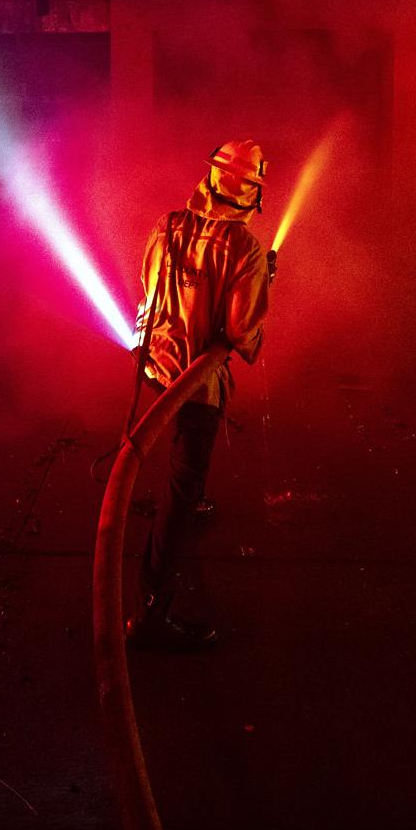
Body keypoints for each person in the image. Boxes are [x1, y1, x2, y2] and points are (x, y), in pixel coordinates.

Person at [127, 139, 272, 652]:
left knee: (172, 453)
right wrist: (262, 285)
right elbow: (240, 334)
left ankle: (189, 497)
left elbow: (148, 287)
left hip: (155, 363)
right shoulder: (246, 248)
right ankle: (152, 610)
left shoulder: (167, 225)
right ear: (251, 192)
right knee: (181, 487)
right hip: (196, 382)